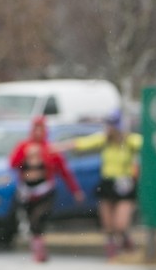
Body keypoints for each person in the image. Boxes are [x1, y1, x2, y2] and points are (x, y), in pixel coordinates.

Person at [57, 110, 142, 259]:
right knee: (108, 225)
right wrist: (57, 147)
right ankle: (112, 252)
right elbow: (82, 143)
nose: (110, 129)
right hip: (107, 183)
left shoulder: (130, 141)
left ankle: (126, 241)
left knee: (120, 224)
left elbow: (148, 145)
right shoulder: (104, 140)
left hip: (125, 184)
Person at [7, 116, 85, 262]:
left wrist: (75, 191)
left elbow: (64, 172)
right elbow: (13, 164)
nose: (38, 132)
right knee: (32, 222)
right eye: (35, 129)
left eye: (41, 129)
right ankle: (38, 248)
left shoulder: (50, 150)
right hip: (28, 191)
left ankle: (39, 249)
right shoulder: (24, 147)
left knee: (38, 217)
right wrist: (26, 154)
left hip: (45, 191)